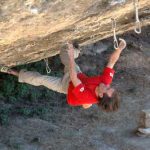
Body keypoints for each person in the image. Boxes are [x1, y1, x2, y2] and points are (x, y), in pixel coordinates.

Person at [0, 39, 126, 111]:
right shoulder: (105, 82)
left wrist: (71, 56)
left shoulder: (87, 96)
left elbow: (72, 76)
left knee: (40, 79)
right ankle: (76, 50)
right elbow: (111, 62)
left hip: (66, 87)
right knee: (64, 50)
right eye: (111, 87)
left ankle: (11, 71)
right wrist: (120, 49)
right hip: (79, 76)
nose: (108, 85)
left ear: (100, 94)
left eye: (108, 89)